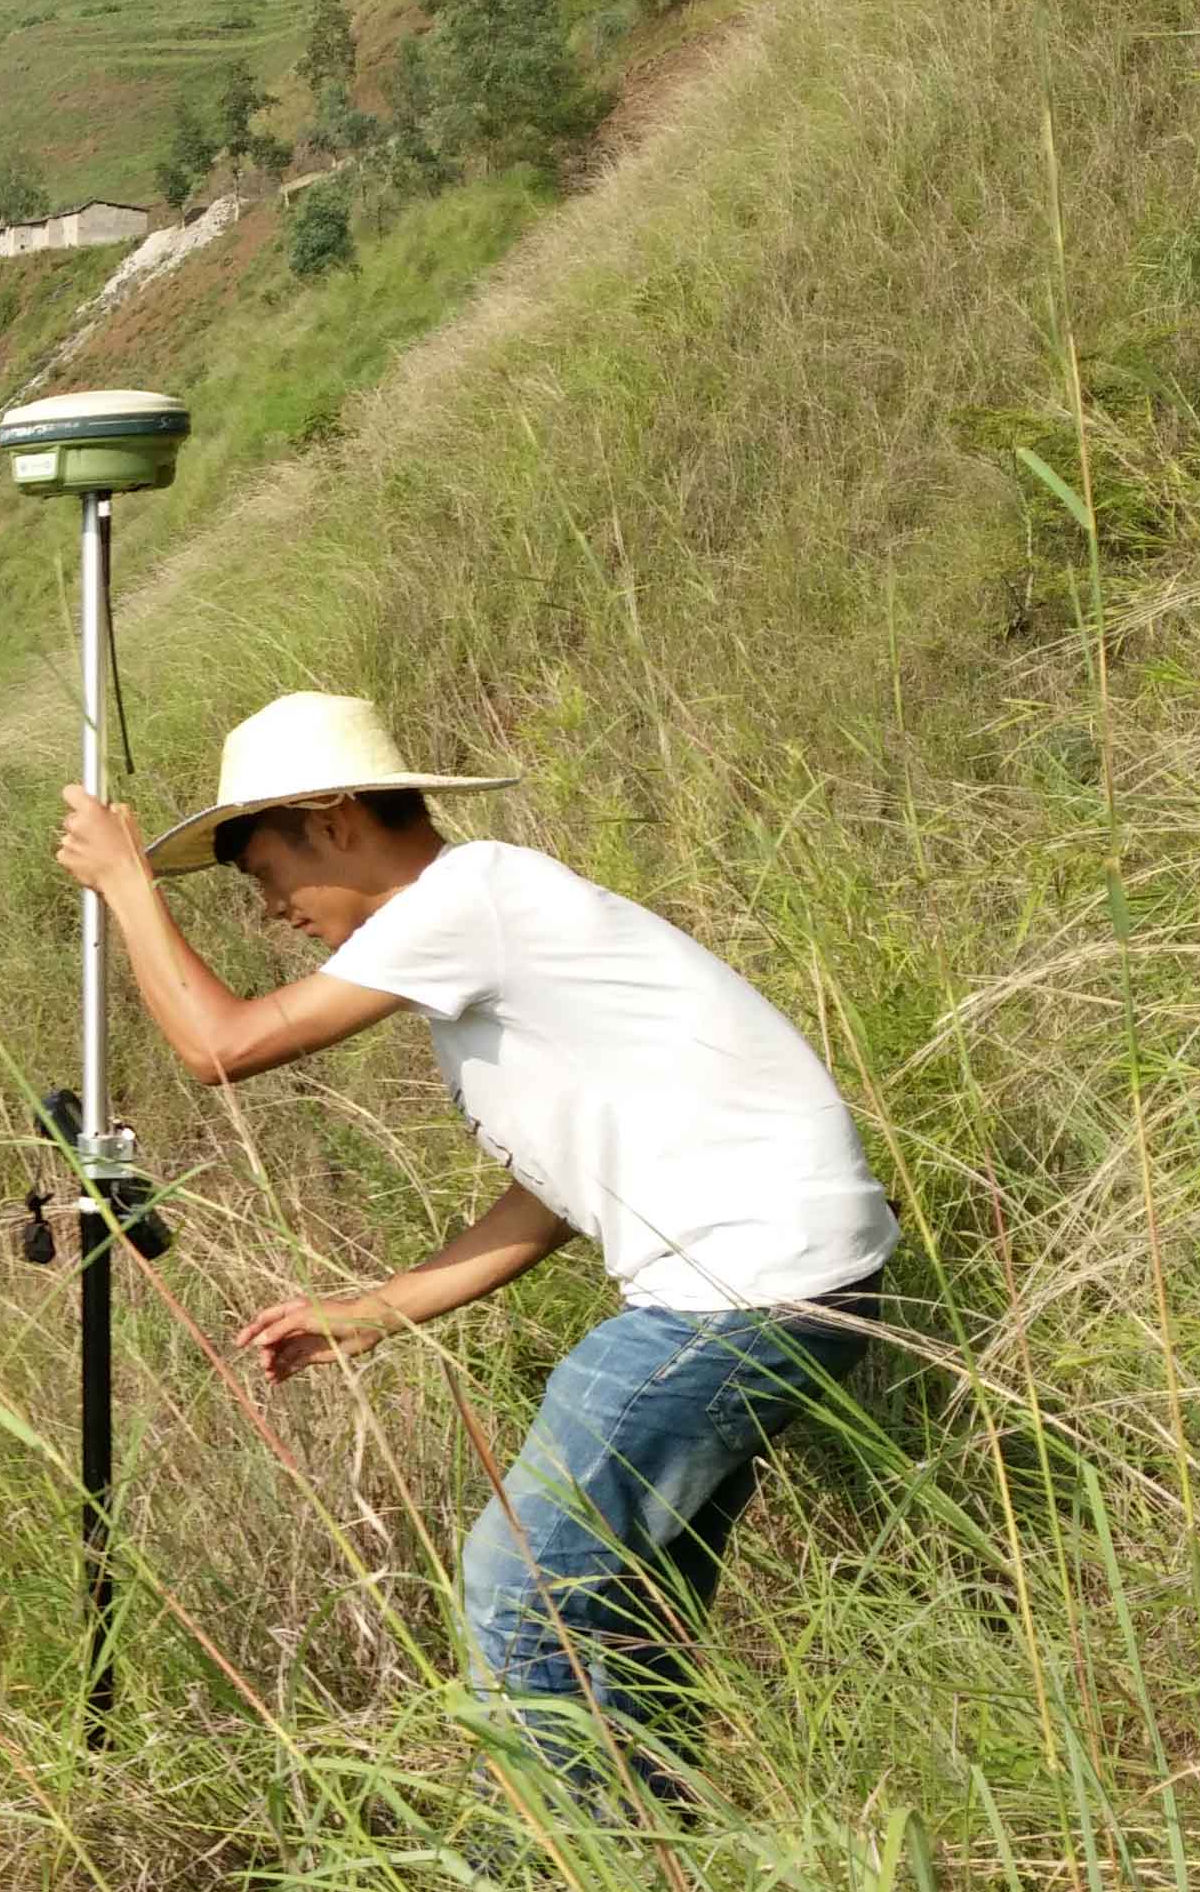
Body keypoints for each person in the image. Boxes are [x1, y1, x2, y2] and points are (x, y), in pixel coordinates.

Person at [51, 691, 896, 1798]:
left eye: (265, 874)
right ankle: (652, 1861)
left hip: (735, 1291)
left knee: (521, 1585)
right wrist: (365, 1312)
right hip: (790, 1281)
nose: (270, 909)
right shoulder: (492, 926)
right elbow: (548, 1202)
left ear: (335, 818)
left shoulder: (466, 899)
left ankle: (568, 1883)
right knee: (617, 1615)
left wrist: (124, 881)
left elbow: (220, 1047)